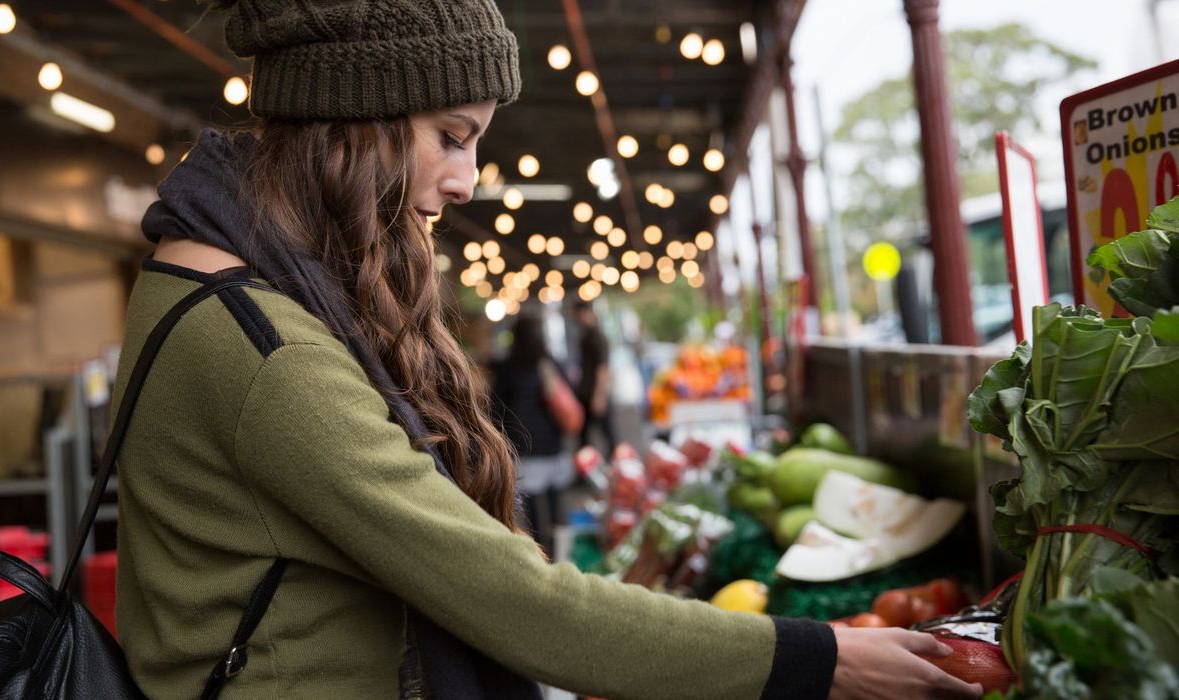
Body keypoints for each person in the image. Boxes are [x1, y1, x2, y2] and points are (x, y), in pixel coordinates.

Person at [112, 1, 983, 698]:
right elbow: (519, 605)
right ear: (353, 115)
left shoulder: (212, 281)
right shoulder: (266, 348)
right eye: (450, 135)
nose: (463, 178)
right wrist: (819, 660)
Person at [489, 313, 572, 555]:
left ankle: (541, 553)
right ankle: (561, 551)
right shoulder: (549, 364)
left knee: (532, 509)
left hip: (523, 444)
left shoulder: (507, 367)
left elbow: (496, 407)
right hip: (552, 444)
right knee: (556, 503)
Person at [572, 299, 617, 455]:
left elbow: (602, 369)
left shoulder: (597, 337)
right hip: (586, 393)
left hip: (594, 393)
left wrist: (599, 395)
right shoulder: (587, 336)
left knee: (608, 435)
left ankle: (618, 465)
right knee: (585, 437)